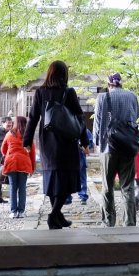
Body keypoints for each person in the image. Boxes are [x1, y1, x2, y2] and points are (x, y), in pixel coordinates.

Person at [23, 60, 88, 230]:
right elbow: (79, 119)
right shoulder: (69, 92)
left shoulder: (40, 92)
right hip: (66, 142)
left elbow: (33, 118)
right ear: (64, 74)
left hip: (48, 143)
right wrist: (85, 141)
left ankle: (57, 216)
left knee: (53, 179)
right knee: (66, 179)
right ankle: (54, 215)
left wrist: (27, 141)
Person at [93, 72, 139, 227]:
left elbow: (98, 123)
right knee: (128, 186)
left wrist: (96, 143)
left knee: (107, 186)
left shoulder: (102, 97)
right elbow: (136, 118)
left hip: (108, 147)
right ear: (121, 83)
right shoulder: (132, 96)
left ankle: (108, 221)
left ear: (109, 84)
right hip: (127, 146)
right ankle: (130, 222)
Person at [0, 115, 36, 218]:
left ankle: (13, 211)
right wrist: (32, 167)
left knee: (13, 187)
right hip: (24, 163)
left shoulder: (9, 134)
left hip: (11, 163)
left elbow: (3, 149)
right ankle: (21, 211)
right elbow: (32, 153)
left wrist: (8, 154)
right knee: (22, 188)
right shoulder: (28, 135)